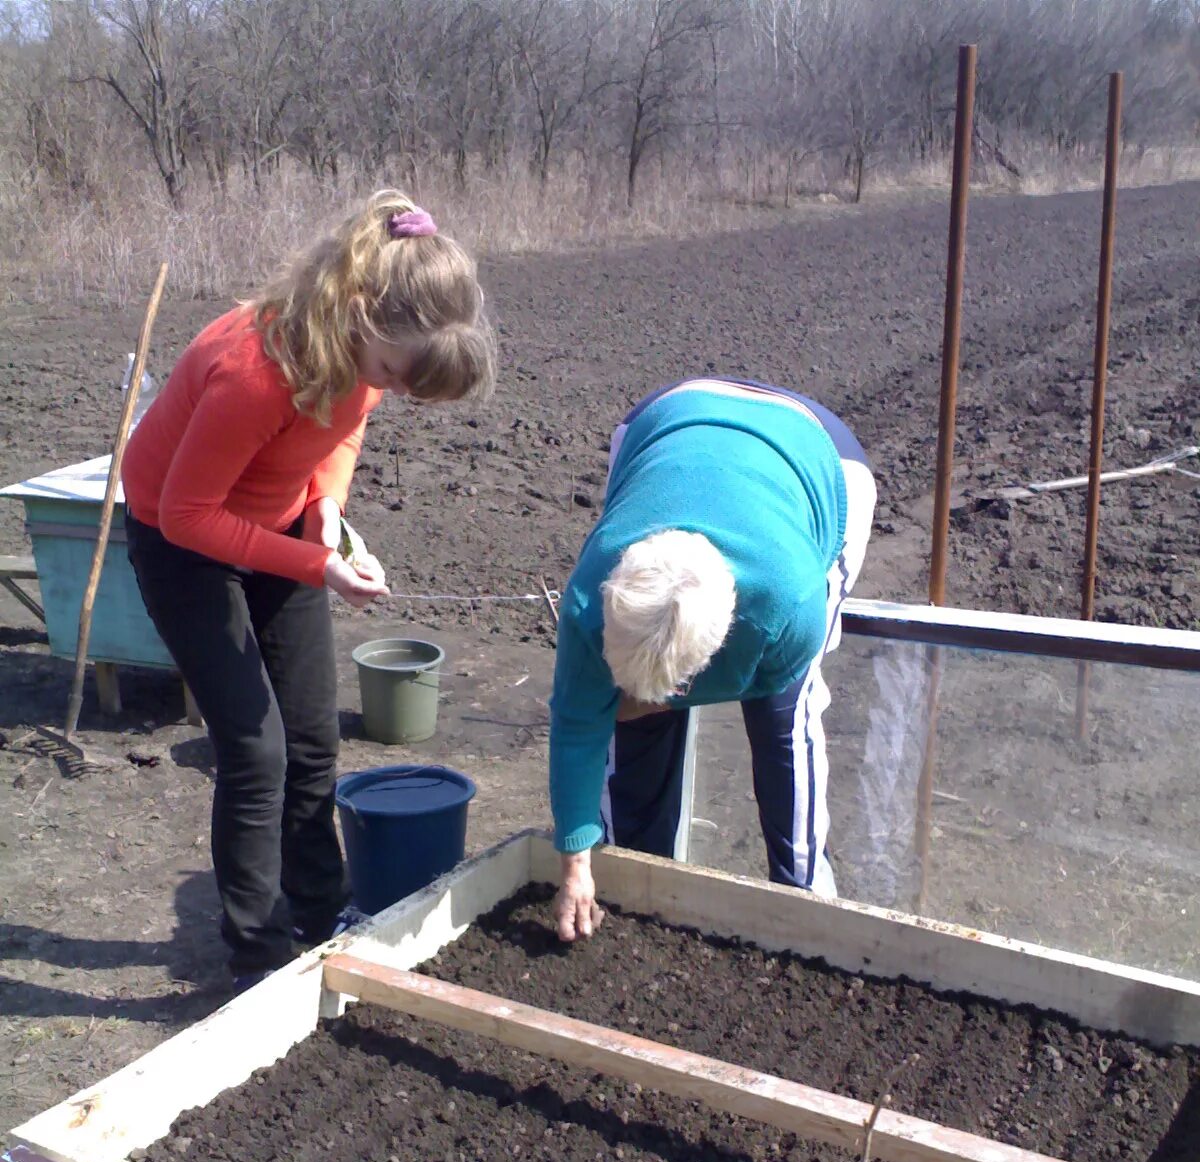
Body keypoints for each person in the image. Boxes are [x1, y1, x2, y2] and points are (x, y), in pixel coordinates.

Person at [122, 189, 495, 984]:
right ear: (358, 309)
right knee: (256, 751)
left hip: (279, 525)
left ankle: (323, 915)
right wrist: (316, 567)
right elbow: (189, 517)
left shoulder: (364, 356)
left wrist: (326, 508)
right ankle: (256, 959)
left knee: (313, 739)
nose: (388, 387)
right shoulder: (255, 372)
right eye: (392, 370)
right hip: (181, 542)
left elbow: (346, 423)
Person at [549, 378, 876, 943]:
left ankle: (806, 900)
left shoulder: (788, 604)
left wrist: (633, 703)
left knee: (779, 716)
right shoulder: (592, 594)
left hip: (822, 458)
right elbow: (577, 724)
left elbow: (785, 739)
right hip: (668, 420)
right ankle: (637, 879)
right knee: (634, 734)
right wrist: (576, 863)